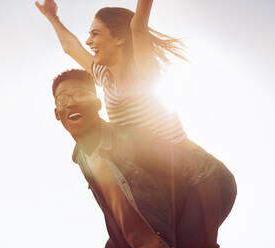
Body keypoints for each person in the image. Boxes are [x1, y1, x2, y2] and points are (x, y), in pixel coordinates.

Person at [52, 69, 237, 248]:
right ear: (57, 113)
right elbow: (117, 209)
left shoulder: (128, 139)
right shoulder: (82, 159)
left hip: (201, 197)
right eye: (63, 99)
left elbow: (204, 170)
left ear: (97, 103)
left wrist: (198, 238)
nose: (72, 103)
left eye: (81, 94)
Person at [36, 0, 188, 144]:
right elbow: (71, 47)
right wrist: (51, 16)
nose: (88, 41)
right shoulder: (104, 76)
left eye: (95, 34)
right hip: (149, 166)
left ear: (119, 38)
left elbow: (138, 28)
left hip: (183, 163)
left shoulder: (142, 70)